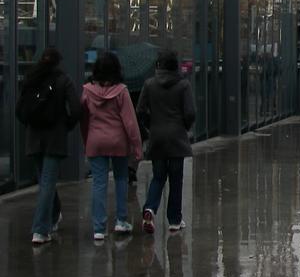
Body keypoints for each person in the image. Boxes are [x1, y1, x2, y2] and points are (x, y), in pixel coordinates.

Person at [16, 47, 81, 245]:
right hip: (55, 138)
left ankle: (53, 216)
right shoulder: (64, 80)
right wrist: (66, 125)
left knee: (45, 180)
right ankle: (40, 229)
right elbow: (76, 108)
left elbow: (20, 109)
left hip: (34, 137)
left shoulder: (30, 80)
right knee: (47, 182)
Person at [81, 51, 142, 241]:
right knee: (121, 179)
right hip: (118, 141)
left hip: (96, 140)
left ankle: (99, 227)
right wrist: (137, 147)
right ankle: (121, 220)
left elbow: (83, 119)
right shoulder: (121, 92)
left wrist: (86, 139)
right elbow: (130, 122)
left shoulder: (87, 91)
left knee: (99, 183)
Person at [138, 50, 196, 234]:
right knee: (176, 179)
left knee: (158, 176)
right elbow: (190, 112)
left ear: (158, 66)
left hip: (157, 136)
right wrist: (184, 127)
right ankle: (174, 220)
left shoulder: (149, 84)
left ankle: (150, 208)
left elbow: (140, 110)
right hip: (177, 137)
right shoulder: (183, 85)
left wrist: (150, 126)